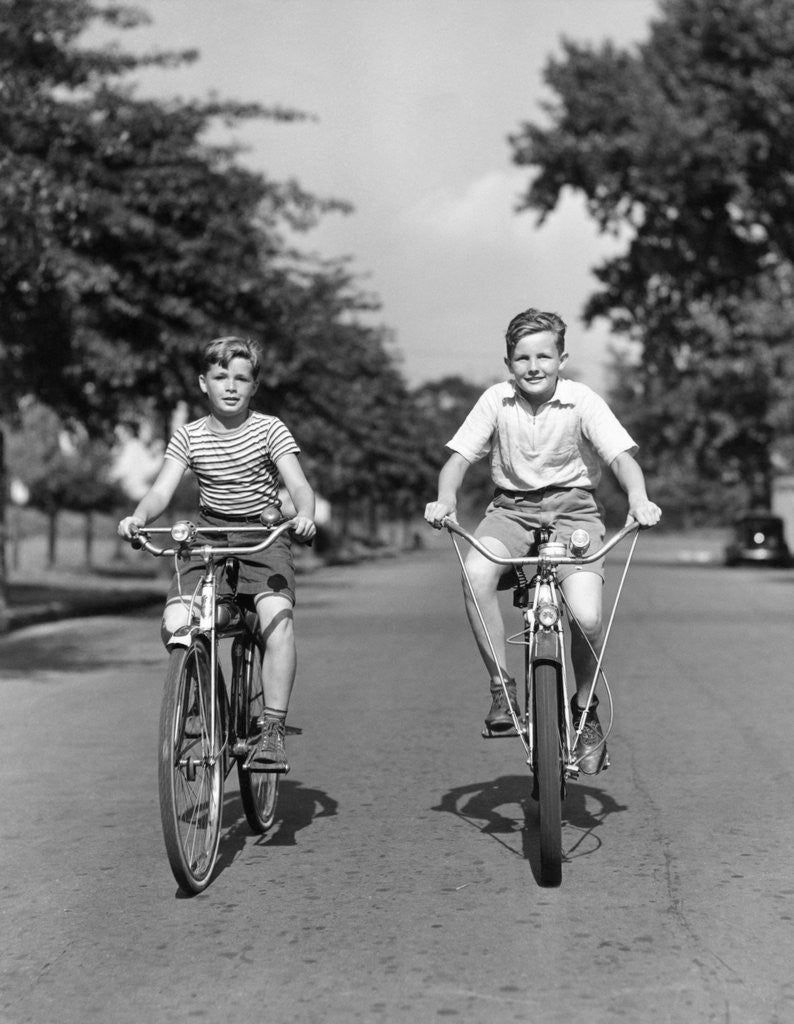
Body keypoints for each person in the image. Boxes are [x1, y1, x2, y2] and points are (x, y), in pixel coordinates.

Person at [424, 308, 661, 773]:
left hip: (575, 511)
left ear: (561, 360)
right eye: (522, 358)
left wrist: (639, 499)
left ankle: (584, 708)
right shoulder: (496, 401)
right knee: (475, 573)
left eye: (544, 357)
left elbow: (621, 458)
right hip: (511, 510)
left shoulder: (582, 400)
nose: (534, 367)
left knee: (587, 617)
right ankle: (502, 689)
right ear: (508, 363)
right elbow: (457, 460)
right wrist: (445, 499)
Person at [118, 336, 316, 770]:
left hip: (262, 536)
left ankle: (272, 731)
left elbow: (299, 485)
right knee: (176, 621)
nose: (230, 386)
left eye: (241, 378)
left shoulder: (269, 429)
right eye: (221, 377)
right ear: (202, 383)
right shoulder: (188, 436)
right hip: (208, 535)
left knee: (277, 620)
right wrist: (138, 517)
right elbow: (161, 491)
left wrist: (304, 514)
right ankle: (203, 693)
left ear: (254, 386)